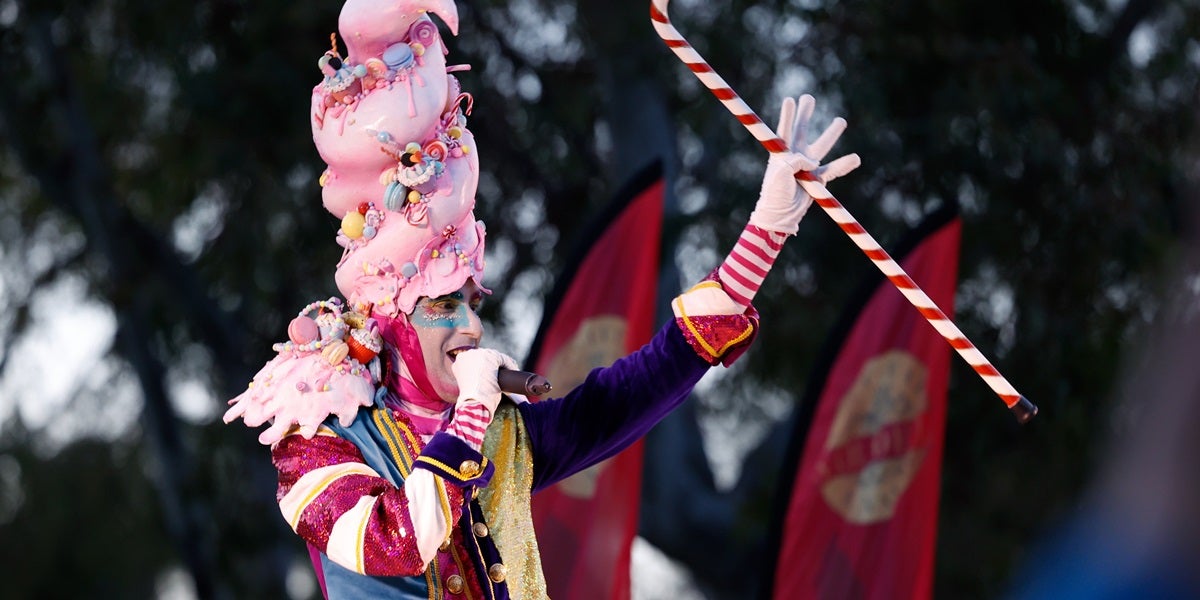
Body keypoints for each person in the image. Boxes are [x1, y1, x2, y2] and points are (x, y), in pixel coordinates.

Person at [223, 1, 859, 598]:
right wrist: (473, 408)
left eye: (473, 300)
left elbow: (631, 392)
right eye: (446, 305)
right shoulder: (316, 435)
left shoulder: (503, 436)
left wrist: (767, 230)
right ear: (390, 318)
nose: (472, 325)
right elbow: (392, 540)